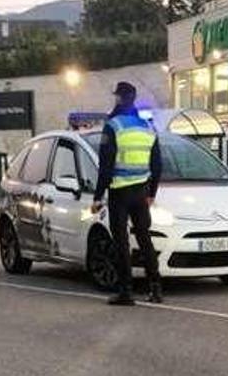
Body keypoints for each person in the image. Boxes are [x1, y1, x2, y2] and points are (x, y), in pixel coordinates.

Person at [91, 82, 163, 306]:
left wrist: (97, 196)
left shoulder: (113, 126)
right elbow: (158, 163)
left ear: (119, 99)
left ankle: (126, 291)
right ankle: (155, 288)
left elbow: (105, 165)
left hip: (119, 192)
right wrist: (152, 192)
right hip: (141, 192)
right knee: (144, 237)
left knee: (121, 241)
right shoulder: (148, 127)